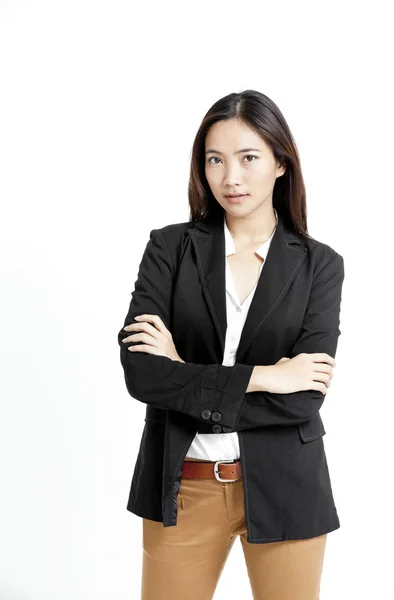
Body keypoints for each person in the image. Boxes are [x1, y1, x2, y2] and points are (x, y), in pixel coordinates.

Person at [117, 89, 345, 600]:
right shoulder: (170, 248)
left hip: (288, 484)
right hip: (185, 483)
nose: (230, 178)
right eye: (215, 160)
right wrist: (266, 376)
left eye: (248, 158)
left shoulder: (318, 265)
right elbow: (143, 376)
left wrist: (187, 376)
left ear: (281, 163)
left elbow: (305, 398)